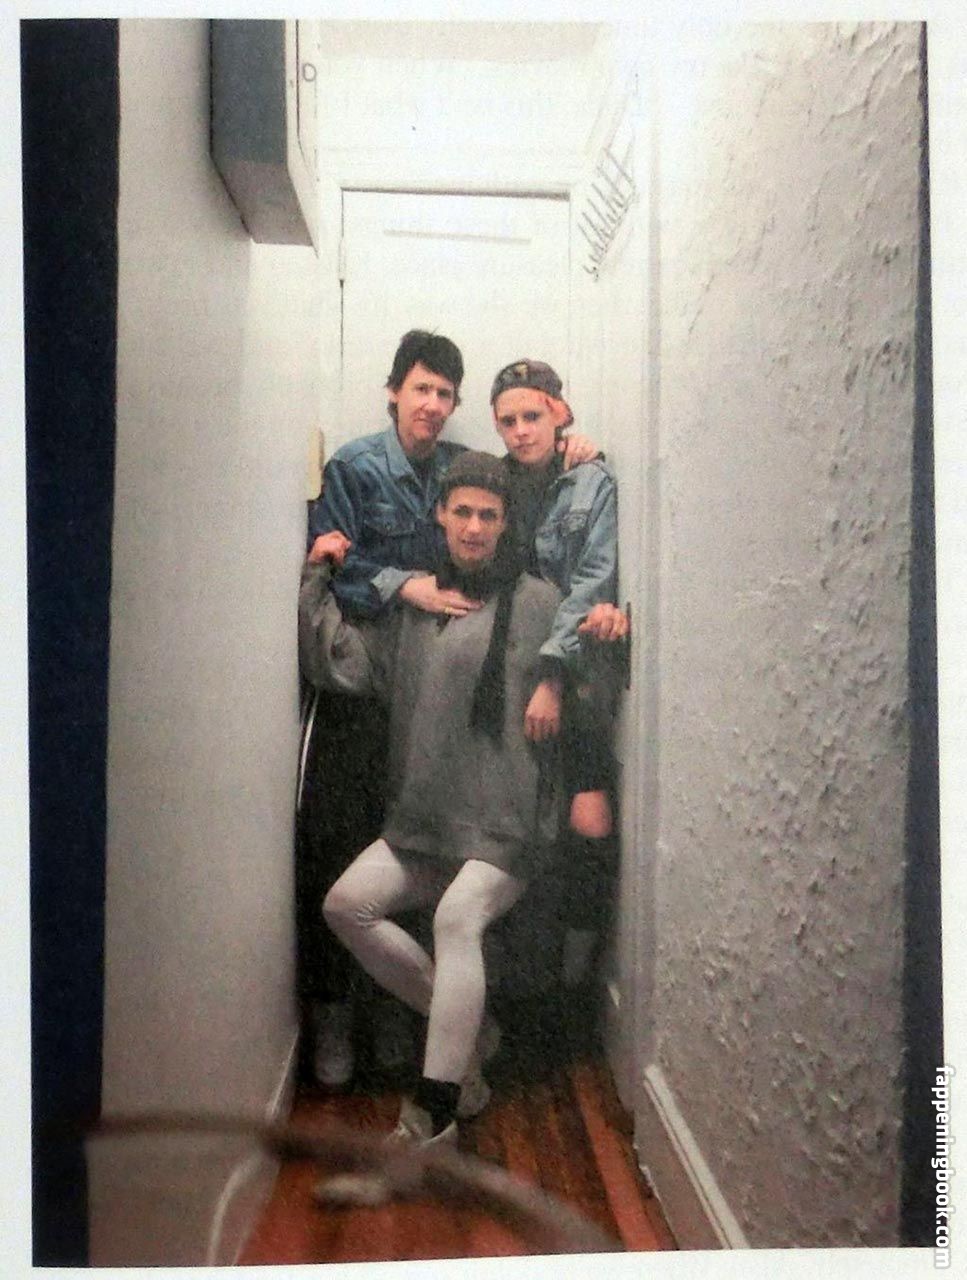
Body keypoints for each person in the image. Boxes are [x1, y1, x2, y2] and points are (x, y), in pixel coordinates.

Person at [298, 331, 597, 1089]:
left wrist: (579, 459)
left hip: (504, 820)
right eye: (460, 513)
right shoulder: (385, 532)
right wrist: (331, 580)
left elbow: (532, 490)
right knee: (345, 899)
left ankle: (436, 1101)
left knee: (455, 918)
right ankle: (462, 1032)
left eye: (487, 516)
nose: (472, 526)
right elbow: (342, 655)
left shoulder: (535, 601)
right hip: (427, 805)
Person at [490, 358, 628, 990]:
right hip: (502, 675)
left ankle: (574, 984)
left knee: (588, 821)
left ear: (560, 413)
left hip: (568, 675)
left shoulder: (590, 482)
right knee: (514, 826)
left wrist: (551, 678)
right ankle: (515, 985)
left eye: (533, 415)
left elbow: (592, 582)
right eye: (508, 420)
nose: (521, 430)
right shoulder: (491, 484)